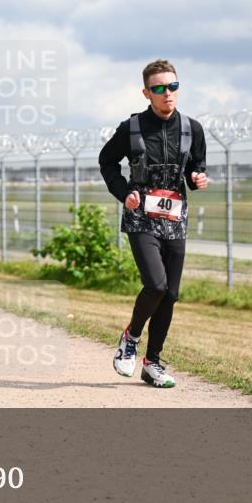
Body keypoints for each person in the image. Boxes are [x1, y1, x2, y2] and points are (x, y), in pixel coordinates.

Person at [98, 59, 209, 388]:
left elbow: (196, 166)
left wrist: (197, 177)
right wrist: (124, 194)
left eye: (172, 86)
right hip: (141, 216)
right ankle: (131, 338)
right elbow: (107, 162)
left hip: (174, 218)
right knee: (156, 285)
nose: (167, 93)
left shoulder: (192, 128)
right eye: (159, 88)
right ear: (146, 93)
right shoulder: (131, 128)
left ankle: (153, 364)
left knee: (170, 294)